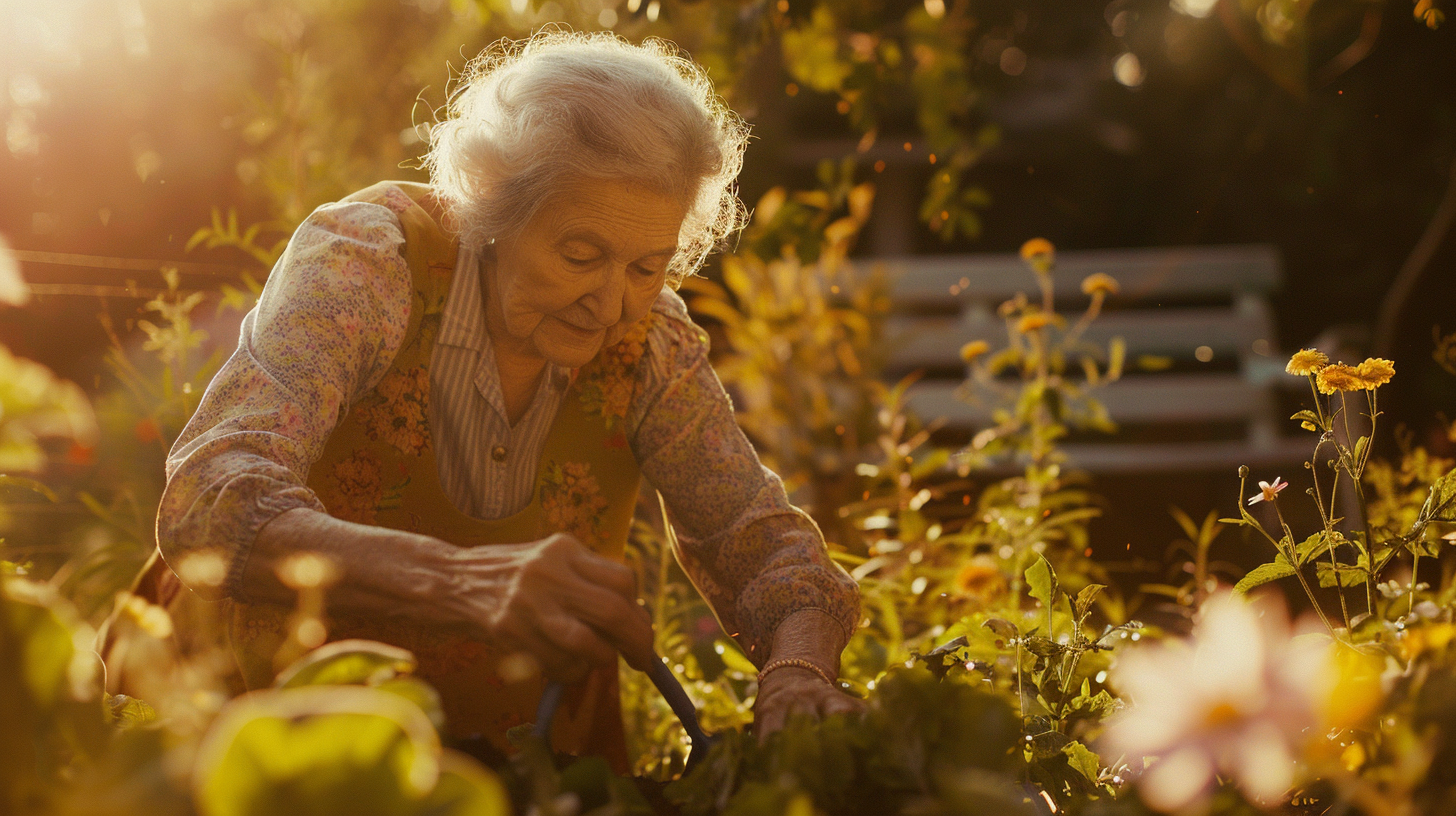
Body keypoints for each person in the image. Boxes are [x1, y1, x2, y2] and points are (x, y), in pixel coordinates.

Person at [154, 31, 861, 769]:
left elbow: (766, 548)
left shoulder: (651, 345)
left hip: (525, 771)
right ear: (492, 207)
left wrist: (798, 674)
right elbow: (211, 498)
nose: (612, 303)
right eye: (581, 256)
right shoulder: (369, 267)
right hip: (270, 750)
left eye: (648, 266)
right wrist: (461, 582)